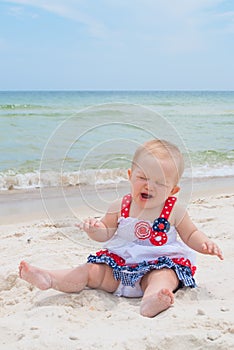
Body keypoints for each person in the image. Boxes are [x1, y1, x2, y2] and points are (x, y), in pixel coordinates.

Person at [19, 139, 223, 318]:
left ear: (173, 190)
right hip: (119, 269)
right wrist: (94, 230)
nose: (148, 186)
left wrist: (205, 244)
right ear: (130, 175)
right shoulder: (119, 206)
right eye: (142, 177)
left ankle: (152, 300)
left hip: (157, 264)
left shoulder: (174, 210)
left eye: (159, 182)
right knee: (90, 271)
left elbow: (191, 234)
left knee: (164, 277)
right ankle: (50, 278)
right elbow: (106, 232)